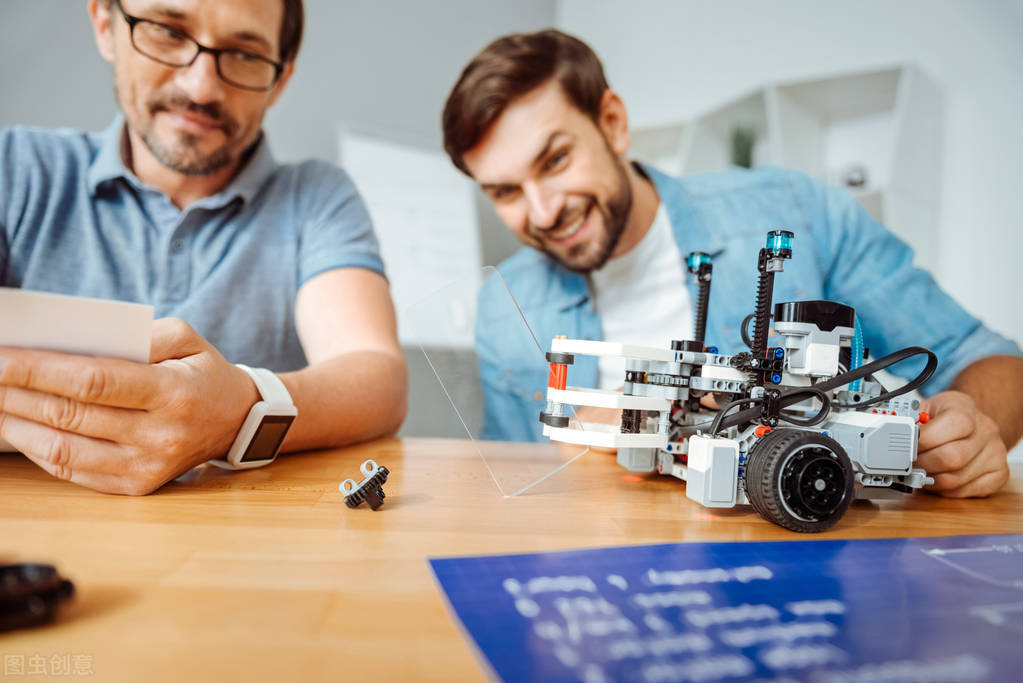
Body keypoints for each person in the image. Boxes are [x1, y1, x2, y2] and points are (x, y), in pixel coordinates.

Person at [441, 29, 1023, 497]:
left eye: (556, 159)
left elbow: (995, 361)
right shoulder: (504, 302)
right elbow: (510, 475)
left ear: (613, 124)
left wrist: (972, 431)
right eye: (505, 192)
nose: (543, 212)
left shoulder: (796, 213)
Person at [0, 0, 407, 494]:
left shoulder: (316, 197)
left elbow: (377, 379)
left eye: (244, 54)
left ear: (281, 79)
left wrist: (239, 412)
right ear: (106, 26)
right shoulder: (14, 167)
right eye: (167, 31)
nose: (201, 88)